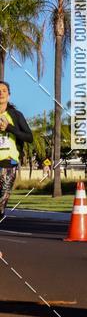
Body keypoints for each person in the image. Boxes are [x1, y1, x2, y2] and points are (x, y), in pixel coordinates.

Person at [0, 81, 34, 218]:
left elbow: (29, 137)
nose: (0, 93)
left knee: (2, 202)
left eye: (3, 90)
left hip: (8, 163)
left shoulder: (16, 115)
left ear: (8, 95)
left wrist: (9, 128)